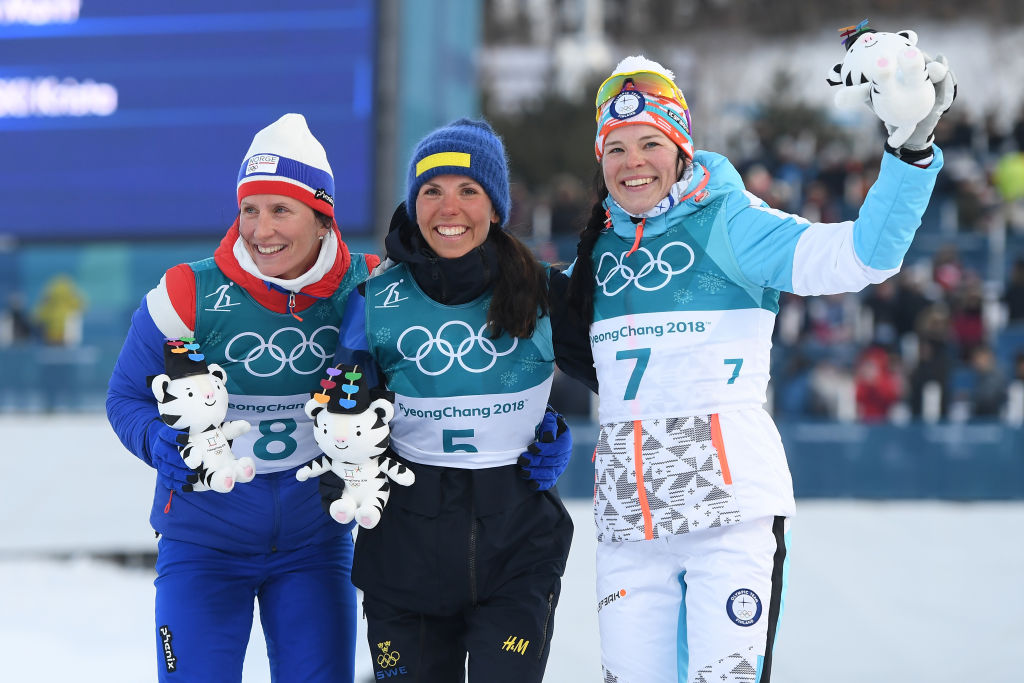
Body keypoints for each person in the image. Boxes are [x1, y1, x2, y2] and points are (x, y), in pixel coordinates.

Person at [564, 45, 955, 682]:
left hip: (730, 513)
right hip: (629, 524)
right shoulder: (595, 252)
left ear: (681, 146)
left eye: (649, 144)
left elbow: (863, 256)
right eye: (615, 149)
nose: (632, 163)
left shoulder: (731, 222)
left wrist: (908, 151)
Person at [106, 113, 379, 683]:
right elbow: (125, 397)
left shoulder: (368, 288)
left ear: (323, 216)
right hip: (203, 543)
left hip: (315, 545)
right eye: (250, 209)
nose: (262, 230)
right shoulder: (188, 290)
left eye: (282, 209)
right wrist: (163, 443)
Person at [322, 118, 592, 682]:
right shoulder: (373, 301)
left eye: (469, 190)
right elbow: (343, 412)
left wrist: (550, 428)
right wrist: (345, 472)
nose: (450, 208)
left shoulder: (545, 291)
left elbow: (619, 378)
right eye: (432, 191)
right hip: (404, 558)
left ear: (495, 207)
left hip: (517, 550)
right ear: (413, 204)